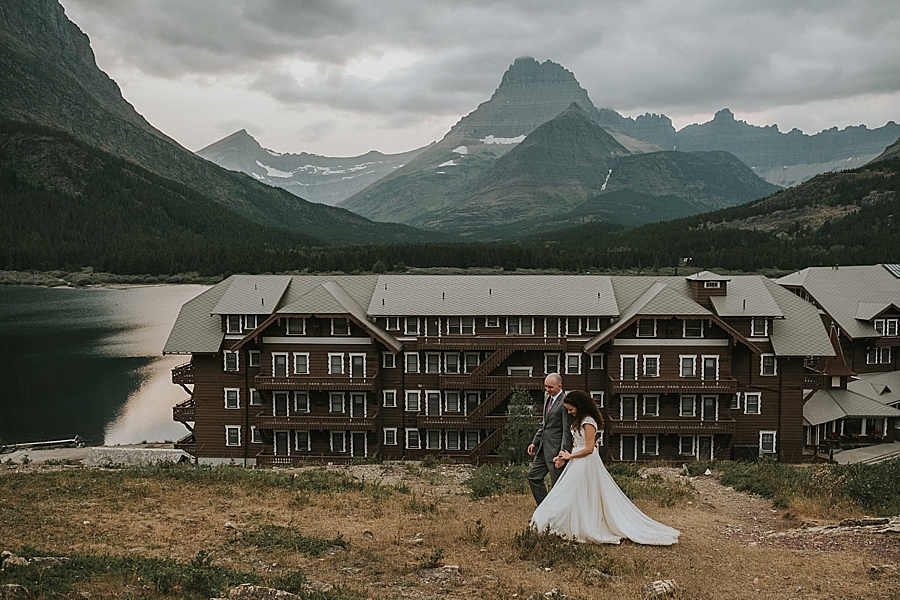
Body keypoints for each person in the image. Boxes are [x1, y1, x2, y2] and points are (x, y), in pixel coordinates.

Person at [530, 390, 680, 545]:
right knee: (572, 493)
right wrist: (563, 456)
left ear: (579, 406)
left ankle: (583, 524)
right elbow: (577, 443)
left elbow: (589, 449)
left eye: (571, 409)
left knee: (578, 492)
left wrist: (570, 457)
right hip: (577, 459)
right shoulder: (577, 420)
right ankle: (566, 521)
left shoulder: (588, 422)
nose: (569, 412)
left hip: (586, 462)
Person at [527, 373, 573, 506]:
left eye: (550, 387)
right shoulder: (548, 399)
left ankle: (559, 513)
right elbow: (544, 424)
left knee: (557, 484)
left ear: (560, 386)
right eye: (545, 386)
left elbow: (566, 431)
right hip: (542, 449)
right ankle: (545, 507)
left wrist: (562, 454)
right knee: (533, 476)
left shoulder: (565, 402)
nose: (547, 389)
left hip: (555, 451)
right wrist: (535, 442)